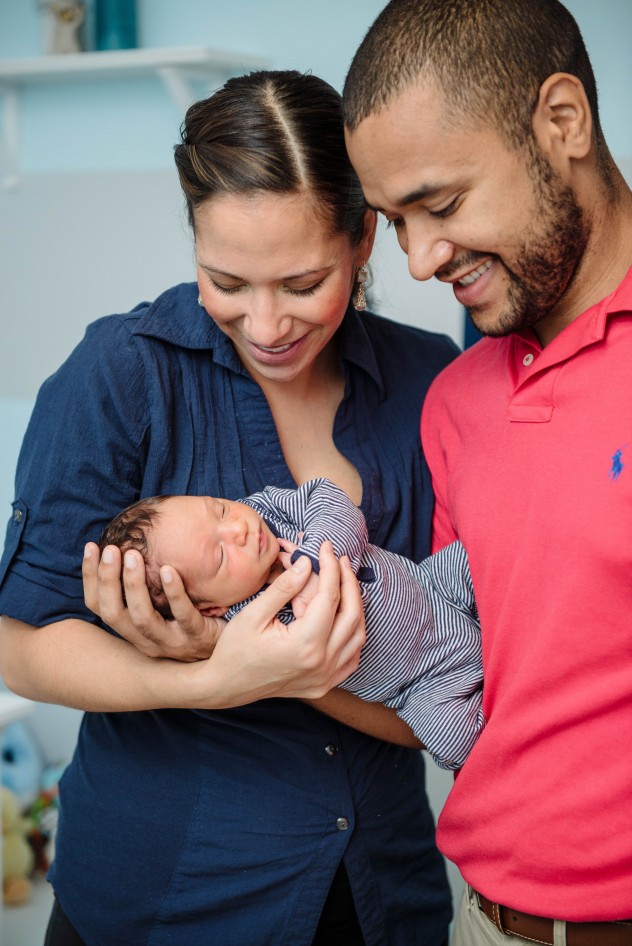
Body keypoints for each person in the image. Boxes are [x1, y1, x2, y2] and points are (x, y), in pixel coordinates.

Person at [0, 70, 460, 945]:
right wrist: (208, 681)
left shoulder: (428, 382)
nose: (264, 322)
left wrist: (261, 663)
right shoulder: (123, 373)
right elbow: (20, 650)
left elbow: (452, 672)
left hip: (376, 901)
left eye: (301, 282)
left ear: (364, 238)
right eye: (226, 280)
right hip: (167, 895)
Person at [342, 1, 632, 945]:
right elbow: (458, 676)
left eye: (443, 203)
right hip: (484, 925)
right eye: (395, 221)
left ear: (563, 122)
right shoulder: (456, 402)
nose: (420, 259)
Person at [99, 477, 484, 770]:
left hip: (433, 583)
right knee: (453, 743)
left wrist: (317, 564)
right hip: (421, 680)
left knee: (486, 551)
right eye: (219, 555)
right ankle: (505, 685)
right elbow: (282, 665)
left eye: (218, 508)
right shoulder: (246, 628)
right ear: (211, 608)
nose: (238, 529)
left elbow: (332, 498)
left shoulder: (270, 511)